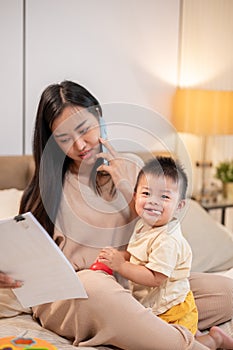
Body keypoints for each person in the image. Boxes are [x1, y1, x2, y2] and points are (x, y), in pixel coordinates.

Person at [1, 79, 232, 349]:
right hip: (78, 293)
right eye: (64, 139)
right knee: (98, 286)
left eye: (84, 129)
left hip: (135, 286)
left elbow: (163, 234)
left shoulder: (137, 171)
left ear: (98, 116)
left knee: (225, 293)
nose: (80, 144)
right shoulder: (45, 188)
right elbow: (25, 258)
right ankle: (194, 345)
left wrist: (126, 188)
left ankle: (152, 329)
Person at [97, 156, 198, 335]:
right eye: (146, 193)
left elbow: (154, 277)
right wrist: (120, 256)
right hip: (154, 304)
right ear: (135, 196)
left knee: (174, 344)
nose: (153, 201)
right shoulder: (144, 224)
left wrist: (121, 265)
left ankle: (214, 341)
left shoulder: (167, 240)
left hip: (170, 309)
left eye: (165, 196)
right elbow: (138, 254)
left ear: (179, 206)